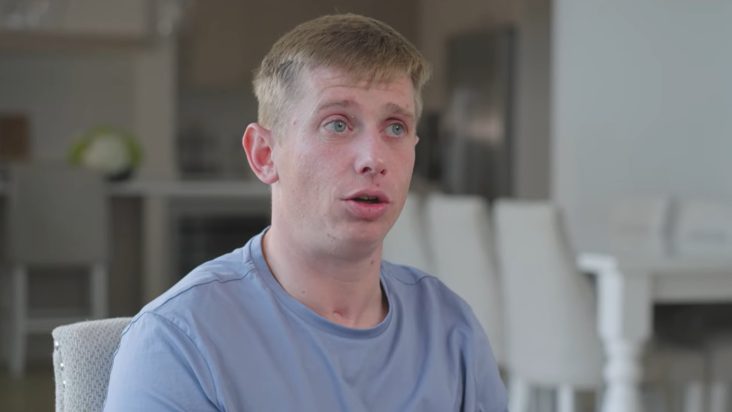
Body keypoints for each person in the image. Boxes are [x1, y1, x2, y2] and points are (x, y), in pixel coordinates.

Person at [104, 14, 506, 411]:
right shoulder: (180, 343)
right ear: (264, 154)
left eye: (396, 127)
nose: (374, 158)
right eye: (337, 125)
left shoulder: (452, 330)